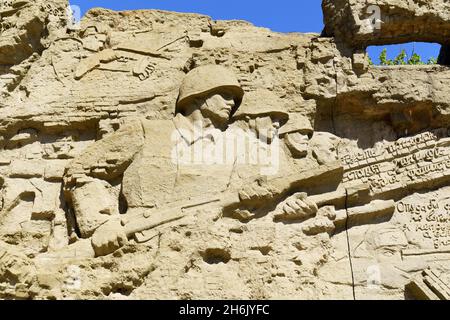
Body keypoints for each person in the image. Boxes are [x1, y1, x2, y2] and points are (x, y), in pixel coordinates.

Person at [63, 65, 318, 256]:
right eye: (224, 94)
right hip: (135, 243)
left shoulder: (236, 148)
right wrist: (102, 224)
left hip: (204, 247)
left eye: (235, 98)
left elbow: (248, 201)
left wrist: (289, 208)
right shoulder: (147, 131)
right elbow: (81, 171)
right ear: (197, 96)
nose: (232, 103)